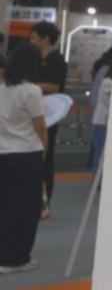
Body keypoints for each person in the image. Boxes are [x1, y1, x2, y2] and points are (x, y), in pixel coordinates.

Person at [0, 45, 47, 274]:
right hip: (26, 154)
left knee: (4, 205)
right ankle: (15, 259)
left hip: (3, 153)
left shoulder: (2, 88)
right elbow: (40, 125)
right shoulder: (32, 90)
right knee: (24, 209)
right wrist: (44, 150)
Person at [28, 23, 65, 219]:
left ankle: (44, 202)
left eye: (35, 37)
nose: (31, 40)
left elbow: (55, 86)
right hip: (34, 113)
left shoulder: (56, 60)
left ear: (46, 39)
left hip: (49, 115)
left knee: (45, 158)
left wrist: (30, 85)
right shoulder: (35, 58)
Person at [90, 50, 112, 173]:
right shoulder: (108, 82)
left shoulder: (106, 78)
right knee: (100, 155)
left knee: (101, 154)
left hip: (103, 122)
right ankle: (96, 180)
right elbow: (110, 102)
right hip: (102, 123)